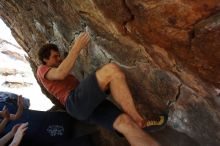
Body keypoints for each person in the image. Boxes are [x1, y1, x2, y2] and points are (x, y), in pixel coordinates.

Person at [37, 32, 167, 146]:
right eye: (55, 56)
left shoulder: (53, 70)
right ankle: (139, 120)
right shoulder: (41, 69)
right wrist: (77, 46)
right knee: (111, 70)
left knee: (125, 123)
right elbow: (61, 73)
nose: (59, 59)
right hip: (74, 102)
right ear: (45, 59)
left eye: (59, 56)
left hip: (85, 106)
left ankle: (136, 124)